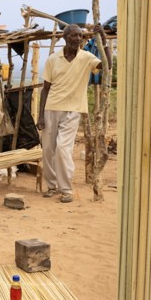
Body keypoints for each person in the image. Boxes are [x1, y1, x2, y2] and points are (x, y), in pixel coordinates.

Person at [37, 23, 112, 203]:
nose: (78, 39)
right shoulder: (53, 59)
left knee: (63, 149)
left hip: (73, 109)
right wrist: (40, 115)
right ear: (65, 38)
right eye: (74, 36)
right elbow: (45, 89)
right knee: (48, 149)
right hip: (51, 108)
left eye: (80, 36)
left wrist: (103, 39)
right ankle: (51, 185)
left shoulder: (87, 57)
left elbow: (107, 66)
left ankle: (66, 190)